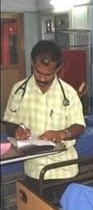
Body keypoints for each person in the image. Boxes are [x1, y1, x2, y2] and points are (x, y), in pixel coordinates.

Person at [2, 40, 86, 195]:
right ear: (32, 64)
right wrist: (15, 130)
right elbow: (8, 121)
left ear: (58, 69)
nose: (41, 78)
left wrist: (62, 133)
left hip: (64, 170)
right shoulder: (19, 90)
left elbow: (79, 126)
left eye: (48, 74)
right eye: (38, 72)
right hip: (34, 170)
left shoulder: (69, 93)